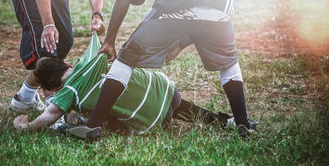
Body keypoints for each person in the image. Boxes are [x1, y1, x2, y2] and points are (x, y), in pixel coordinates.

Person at [87, 0, 257, 137]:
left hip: (176, 9)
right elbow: (200, 15)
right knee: (229, 64)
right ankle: (243, 123)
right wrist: (180, 44)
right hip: (222, 13)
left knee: (125, 60)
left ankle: (92, 126)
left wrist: (109, 41)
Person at [13, 34, 231, 139]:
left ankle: (119, 127)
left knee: (81, 118)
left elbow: (49, 116)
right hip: (166, 89)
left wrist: (24, 126)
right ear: (67, 64)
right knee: (176, 104)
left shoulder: (68, 92)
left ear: (53, 89)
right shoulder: (89, 58)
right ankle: (224, 121)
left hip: (155, 120)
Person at [2, 0, 108, 112]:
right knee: (45, 41)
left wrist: (97, 13)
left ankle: (24, 98)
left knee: (64, 39)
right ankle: (54, 108)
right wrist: (48, 24)